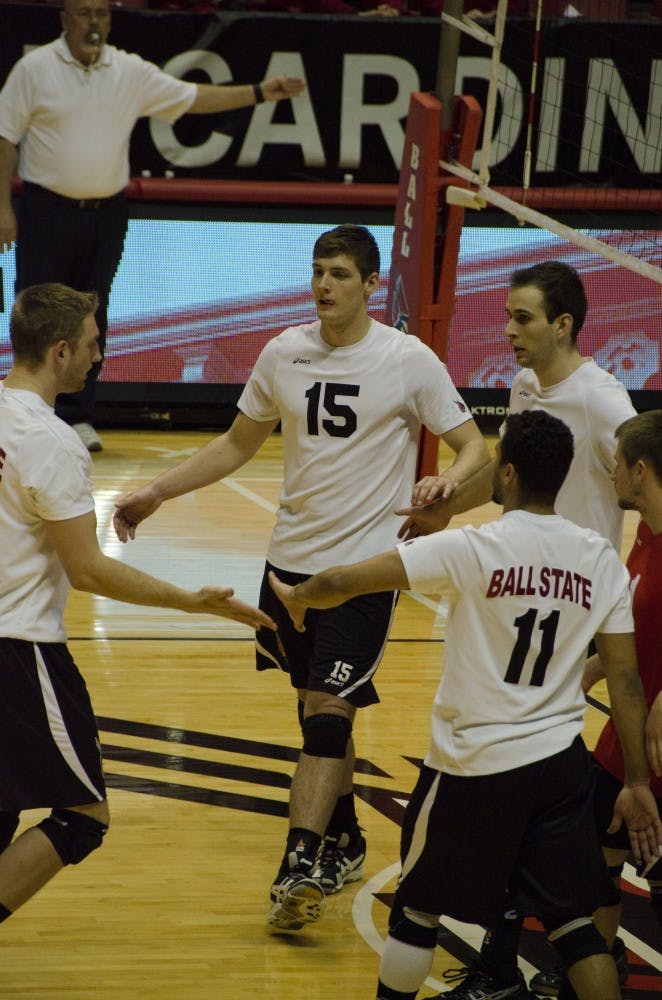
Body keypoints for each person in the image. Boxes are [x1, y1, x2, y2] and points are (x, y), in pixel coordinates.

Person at [112, 223, 490, 929]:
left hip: (360, 572)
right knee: (315, 710)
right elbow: (236, 443)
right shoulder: (283, 351)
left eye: (341, 274)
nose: (324, 285)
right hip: (286, 565)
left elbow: (473, 447)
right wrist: (157, 492)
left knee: (326, 716)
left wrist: (448, 482)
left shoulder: (408, 360)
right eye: (319, 271)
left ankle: (299, 865)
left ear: (372, 284)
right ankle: (345, 837)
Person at [269, 408, 662, 1000]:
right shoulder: (598, 556)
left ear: (506, 475)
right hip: (559, 767)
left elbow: (349, 580)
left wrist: (297, 597)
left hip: (470, 764)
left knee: (417, 913)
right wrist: (636, 780)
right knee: (576, 928)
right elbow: (627, 682)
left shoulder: (473, 548)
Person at [397, 260, 638, 999]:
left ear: (563, 324)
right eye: (506, 317)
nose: (507, 331)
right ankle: (508, 962)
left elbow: (646, 479)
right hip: (522, 602)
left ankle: (529, 957)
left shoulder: (602, 401)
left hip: (571, 611)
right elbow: (506, 464)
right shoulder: (530, 386)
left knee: (515, 786)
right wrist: (450, 501)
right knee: (528, 795)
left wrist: (623, 598)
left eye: (522, 319)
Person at [0, 282, 274, 930]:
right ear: (61, 351)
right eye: (94, 344)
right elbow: (88, 570)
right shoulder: (53, 442)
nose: (100, 356)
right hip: (19, 651)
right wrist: (191, 601)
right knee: (82, 816)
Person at [0, 0, 305, 453]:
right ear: (64, 19)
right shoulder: (34, 68)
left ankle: (79, 418)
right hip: (45, 211)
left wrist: (260, 92)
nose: (94, 23)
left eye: (102, 14)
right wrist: (3, 208)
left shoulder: (128, 71)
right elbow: (5, 136)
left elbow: (193, 97)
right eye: (84, 13)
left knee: (91, 314)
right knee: (35, 312)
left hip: (106, 214)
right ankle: (23, 412)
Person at [529, 410, 662, 998]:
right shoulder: (647, 535)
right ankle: (600, 966)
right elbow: (629, 636)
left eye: (615, 464)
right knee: (593, 853)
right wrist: (577, 677)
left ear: (639, 469)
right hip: (627, 736)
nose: (609, 474)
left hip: (658, 746)